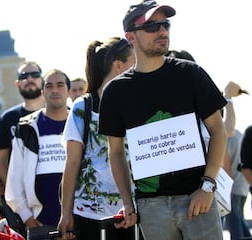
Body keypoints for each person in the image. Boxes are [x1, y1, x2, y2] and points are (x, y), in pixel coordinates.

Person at [98, 1, 227, 240]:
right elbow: (114, 151)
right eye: (152, 26)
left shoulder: (191, 73)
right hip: (151, 208)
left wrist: (207, 186)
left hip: (197, 200)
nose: (162, 31)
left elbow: (218, 130)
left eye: (165, 24)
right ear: (130, 37)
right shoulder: (115, 91)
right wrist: (128, 202)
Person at [58, 37, 135, 240]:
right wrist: (66, 213)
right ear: (119, 66)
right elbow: (72, 162)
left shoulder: (137, 105)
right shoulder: (82, 107)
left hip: (132, 210)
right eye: (134, 63)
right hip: (88, 212)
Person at [5, 69, 70, 229]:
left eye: (60, 85)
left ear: (68, 91)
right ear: (42, 92)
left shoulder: (81, 123)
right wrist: (27, 216)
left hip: (78, 219)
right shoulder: (27, 127)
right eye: (49, 86)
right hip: (39, 223)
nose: (54, 90)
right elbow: (15, 177)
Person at [0, 61, 45, 192]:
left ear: (42, 80)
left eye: (34, 75)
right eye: (24, 76)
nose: (29, 79)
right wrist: (15, 192)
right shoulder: (8, 118)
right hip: (23, 195)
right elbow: (0, 161)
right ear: (17, 83)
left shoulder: (62, 113)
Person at [222, 81, 251, 240]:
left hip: (232, 188)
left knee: (234, 223)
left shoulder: (227, 136)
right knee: (238, 221)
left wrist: (228, 97)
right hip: (243, 187)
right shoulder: (240, 135)